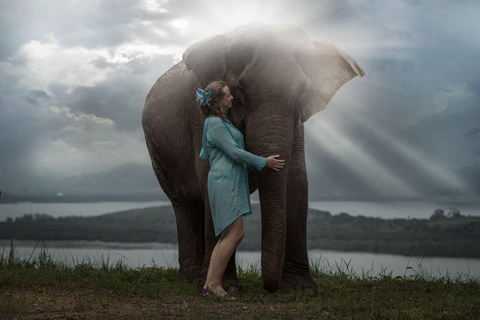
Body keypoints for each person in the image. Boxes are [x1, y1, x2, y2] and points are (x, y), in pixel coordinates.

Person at [197, 80, 285, 301]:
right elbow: (235, 153)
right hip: (225, 182)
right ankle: (215, 284)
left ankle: (209, 284)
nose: (232, 98)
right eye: (227, 95)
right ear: (218, 101)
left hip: (229, 181)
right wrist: (263, 162)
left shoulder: (220, 122)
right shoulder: (216, 124)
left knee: (227, 235)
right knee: (236, 234)